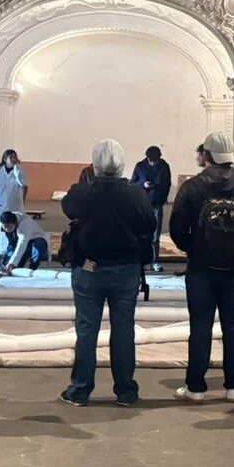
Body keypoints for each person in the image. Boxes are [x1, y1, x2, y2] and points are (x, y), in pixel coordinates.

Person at [171, 132, 234, 403]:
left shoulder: (192, 187)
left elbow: (176, 228)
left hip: (200, 270)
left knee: (200, 327)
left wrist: (193, 249)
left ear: (207, 155)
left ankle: (195, 388)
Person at [59, 140, 155, 407]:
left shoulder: (82, 193)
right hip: (126, 271)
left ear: (95, 164)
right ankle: (125, 391)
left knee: (86, 331)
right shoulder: (136, 194)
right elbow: (149, 223)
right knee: (123, 331)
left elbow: (67, 207)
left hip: (89, 270)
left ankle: (80, 390)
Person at [131, 146, 173, 273]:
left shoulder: (164, 167)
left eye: (156, 161)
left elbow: (167, 184)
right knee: (142, 234)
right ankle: (143, 261)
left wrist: (162, 199)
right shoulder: (140, 166)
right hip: (142, 205)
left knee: (155, 236)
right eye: (151, 161)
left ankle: (155, 261)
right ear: (147, 158)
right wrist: (142, 184)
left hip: (157, 204)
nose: (153, 163)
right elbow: (132, 183)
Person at [0, 149, 29, 247]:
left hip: (15, 204)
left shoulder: (20, 171)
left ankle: (14, 249)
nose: (13, 159)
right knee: (1, 229)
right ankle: (1, 250)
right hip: (1, 204)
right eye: (11, 157)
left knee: (16, 228)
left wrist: (17, 169)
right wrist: (0, 197)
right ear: (5, 159)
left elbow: (23, 183)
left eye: (15, 157)